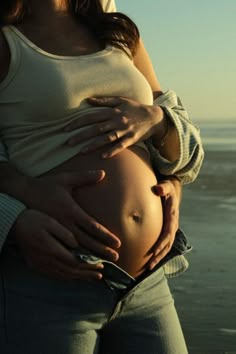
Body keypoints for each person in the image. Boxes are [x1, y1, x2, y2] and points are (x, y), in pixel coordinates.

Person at [0, 0, 204, 353]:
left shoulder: (119, 33)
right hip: (52, 278)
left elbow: (183, 140)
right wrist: (15, 215)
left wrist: (157, 123)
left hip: (147, 282)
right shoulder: (6, 39)